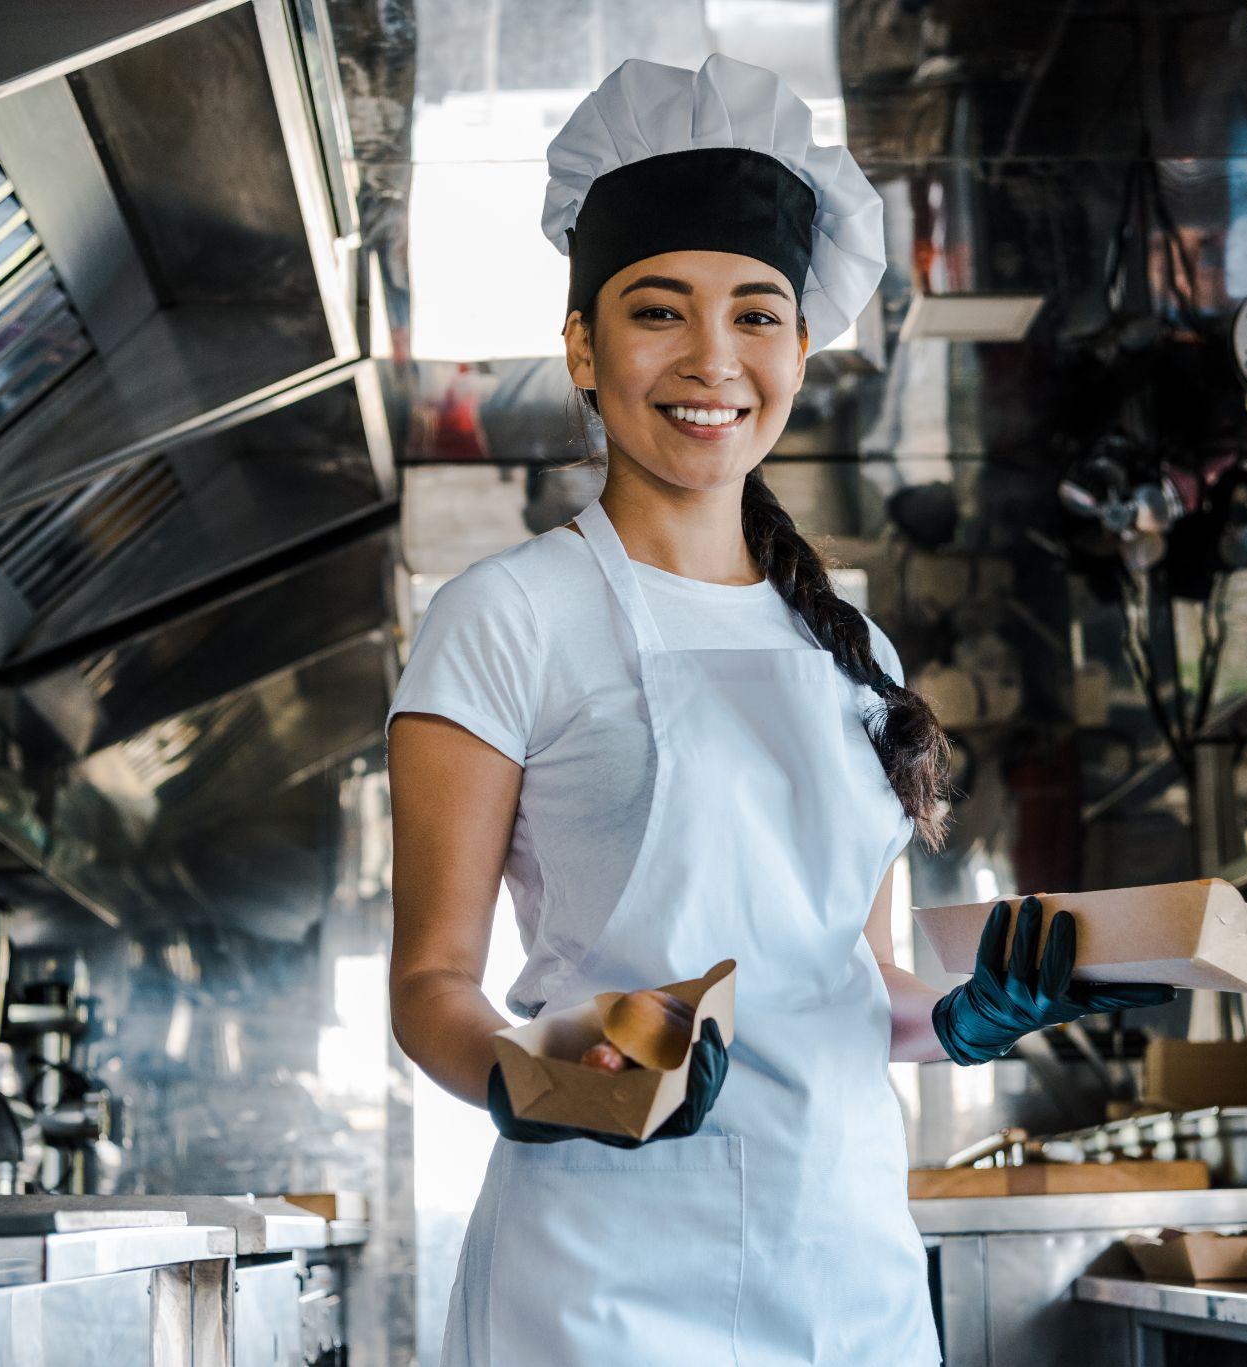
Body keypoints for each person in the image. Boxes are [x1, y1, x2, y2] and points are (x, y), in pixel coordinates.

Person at [385, 53, 1175, 1365]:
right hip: (594, 1291)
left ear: (801, 348)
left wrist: (960, 1015)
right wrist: (536, 1087)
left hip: (841, 1275)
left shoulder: (848, 644)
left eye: (756, 313)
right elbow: (428, 986)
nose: (712, 359)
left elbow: (856, 992)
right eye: (657, 311)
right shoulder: (502, 619)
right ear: (582, 344)